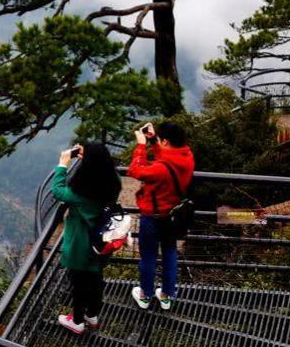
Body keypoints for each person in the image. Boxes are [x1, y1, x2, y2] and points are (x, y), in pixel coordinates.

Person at [50, 141, 121, 334]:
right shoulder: (113, 182)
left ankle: (78, 321)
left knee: (79, 283)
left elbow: (57, 190)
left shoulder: (82, 192)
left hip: (81, 243)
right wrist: (88, 156)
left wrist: (63, 164)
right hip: (102, 240)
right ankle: (93, 314)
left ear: (88, 166)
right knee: (96, 277)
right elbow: (100, 168)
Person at [127, 121, 194, 311]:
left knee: (148, 257)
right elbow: (168, 159)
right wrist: (155, 143)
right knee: (170, 254)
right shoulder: (187, 156)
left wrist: (141, 145)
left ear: (166, 141)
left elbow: (136, 170)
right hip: (172, 216)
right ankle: (166, 296)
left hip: (152, 216)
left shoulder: (160, 169)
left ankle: (146, 295)